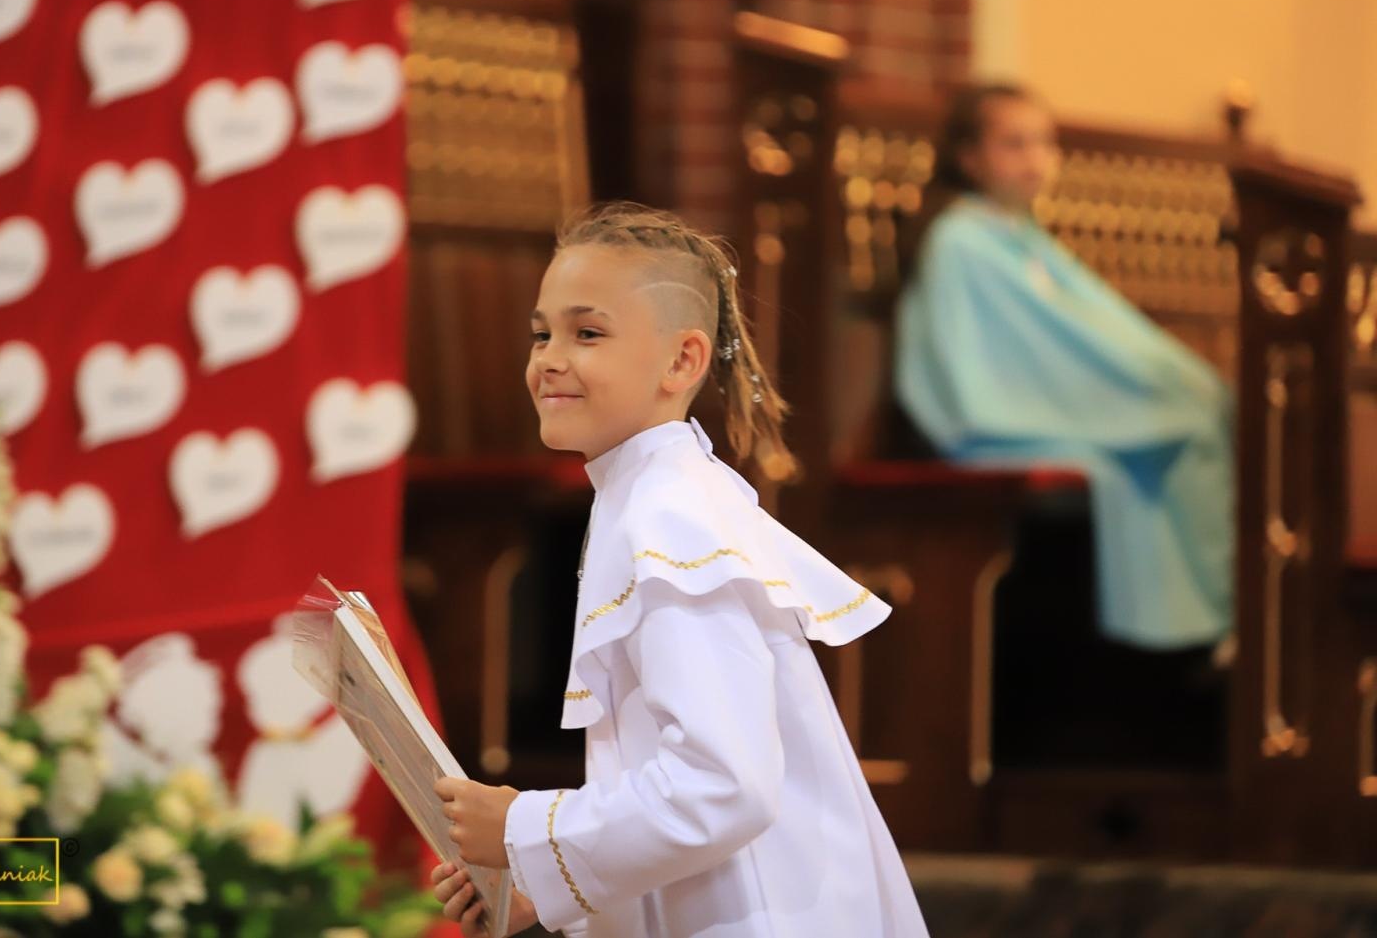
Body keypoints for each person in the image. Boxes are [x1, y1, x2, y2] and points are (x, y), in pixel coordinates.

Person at [428, 203, 928, 937]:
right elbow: (662, 775)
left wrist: (523, 826)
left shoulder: (670, 516)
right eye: (541, 333)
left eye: (587, 333)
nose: (549, 359)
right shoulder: (652, 493)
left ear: (682, 361)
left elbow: (723, 786)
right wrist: (547, 884)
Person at [895, 83, 1234, 650]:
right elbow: (1052, 349)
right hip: (994, 424)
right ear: (969, 157)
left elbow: (1107, 325)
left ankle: (1203, 629)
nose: (1036, 159)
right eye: (1015, 144)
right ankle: (1195, 634)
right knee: (1174, 432)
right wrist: (1160, 386)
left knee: (1196, 412)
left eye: (1044, 143)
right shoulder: (961, 238)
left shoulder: (1019, 235)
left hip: (1043, 411)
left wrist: (1176, 375)